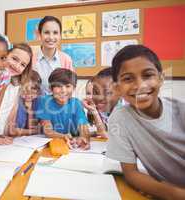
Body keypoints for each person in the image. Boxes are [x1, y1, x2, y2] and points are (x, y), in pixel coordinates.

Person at [106, 44, 185, 200]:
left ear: (161, 78)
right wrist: (170, 192)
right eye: (128, 79)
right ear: (117, 87)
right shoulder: (120, 119)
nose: (140, 85)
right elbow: (131, 173)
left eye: (148, 75)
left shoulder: (181, 111)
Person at [0, 43, 35, 142]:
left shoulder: (16, 87)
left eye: (23, 65)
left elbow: (9, 117)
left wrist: (2, 135)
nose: (16, 66)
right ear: (5, 55)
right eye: (14, 59)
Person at [36, 68, 90, 149]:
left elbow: (84, 128)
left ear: (74, 88)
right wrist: (63, 136)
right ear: (51, 88)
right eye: (58, 86)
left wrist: (84, 138)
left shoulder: (76, 104)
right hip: (54, 144)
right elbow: (48, 131)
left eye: (68, 86)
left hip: (73, 145)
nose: (63, 91)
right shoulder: (45, 101)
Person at [32, 16, 74, 94]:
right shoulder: (31, 59)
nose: (51, 37)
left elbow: (70, 86)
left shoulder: (66, 59)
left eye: (55, 33)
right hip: (36, 104)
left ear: (60, 35)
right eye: (46, 32)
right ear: (40, 34)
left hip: (60, 104)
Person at [83, 67, 123, 138]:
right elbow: (103, 131)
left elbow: (107, 135)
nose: (100, 97)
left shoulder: (127, 111)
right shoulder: (105, 110)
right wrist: (94, 111)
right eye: (96, 92)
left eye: (107, 92)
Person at [6, 70, 42, 137]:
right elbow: (11, 131)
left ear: (38, 91)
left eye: (33, 89)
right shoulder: (14, 99)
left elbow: (31, 128)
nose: (29, 93)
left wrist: (30, 110)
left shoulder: (37, 101)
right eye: (25, 88)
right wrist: (35, 131)